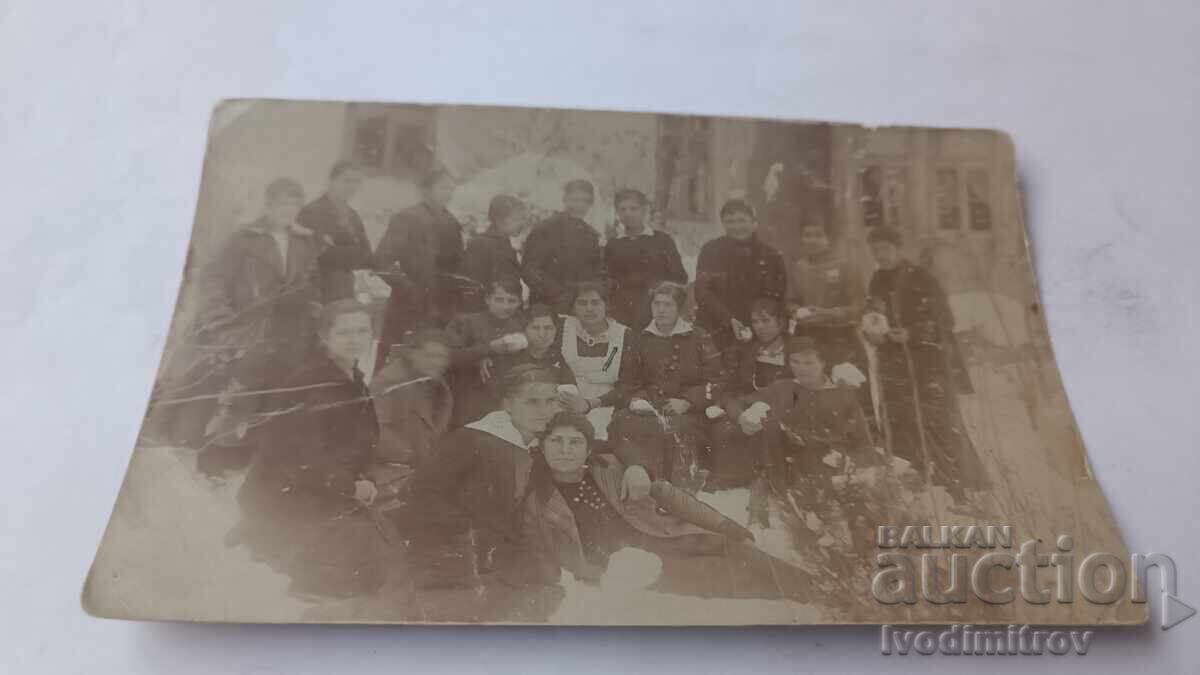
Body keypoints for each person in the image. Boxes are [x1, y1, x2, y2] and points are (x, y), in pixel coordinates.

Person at [396, 366, 652, 591]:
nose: (543, 411)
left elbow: (604, 445)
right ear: (507, 404)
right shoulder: (475, 439)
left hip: (513, 540)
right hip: (460, 546)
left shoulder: (541, 435)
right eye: (532, 402)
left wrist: (636, 466)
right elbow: (421, 492)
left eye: (550, 401)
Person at [229, 300, 387, 600]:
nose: (355, 339)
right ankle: (263, 541)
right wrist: (351, 487)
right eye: (344, 332)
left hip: (328, 486)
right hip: (290, 491)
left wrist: (368, 480)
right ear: (325, 336)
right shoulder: (311, 382)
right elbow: (300, 458)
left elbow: (365, 443)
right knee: (349, 577)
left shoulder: (353, 380)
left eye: (362, 331)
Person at [187, 177, 322, 472]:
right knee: (237, 399)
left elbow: (311, 281)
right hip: (251, 330)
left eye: (294, 203)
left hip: (291, 334)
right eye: (282, 202)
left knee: (274, 400)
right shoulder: (245, 239)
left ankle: (249, 465)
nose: (288, 210)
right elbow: (214, 278)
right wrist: (220, 317)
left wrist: (314, 309)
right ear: (269, 204)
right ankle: (213, 465)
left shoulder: (304, 241)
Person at [523, 413, 754, 583]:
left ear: (588, 450)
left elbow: (671, 497)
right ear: (542, 448)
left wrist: (729, 527)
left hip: (667, 547)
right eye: (556, 441)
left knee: (754, 568)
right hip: (613, 581)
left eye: (575, 442)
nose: (565, 450)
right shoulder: (537, 498)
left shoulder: (610, 468)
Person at [864, 226, 988, 503]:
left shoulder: (922, 278)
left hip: (928, 362)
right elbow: (873, 314)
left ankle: (964, 485)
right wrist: (872, 331)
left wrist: (913, 333)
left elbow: (945, 320)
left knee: (939, 420)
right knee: (898, 420)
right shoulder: (877, 280)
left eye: (884, 249)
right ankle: (917, 481)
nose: (880, 256)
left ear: (898, 248)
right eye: (875, 251)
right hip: (892, 361)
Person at [609, 281, 722, 488]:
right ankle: (640, 481)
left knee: (675, 430)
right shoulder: (641, 338)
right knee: (622, 424)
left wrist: (689, 401)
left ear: (679, 308)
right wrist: (638, 398)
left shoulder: (699, 337)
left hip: (689, 411)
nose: (661, 310)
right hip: (650, 407)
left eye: (668, 304)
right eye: (656, 304)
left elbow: (717, 381)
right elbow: (629, 381)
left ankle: (676, 491)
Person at [373, 168, 466, 366]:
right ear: (427, 190)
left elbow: (457, 267)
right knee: (397, 363)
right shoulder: (407, 218)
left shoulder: (452, 223)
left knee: (431, 364)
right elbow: (382, 260)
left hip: (442, 307)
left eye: (452, 188)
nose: (449, 193)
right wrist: (410, 289)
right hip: (408, 306)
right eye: (443, 187)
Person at [707, 298, 790, 487]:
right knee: (724, 428)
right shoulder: (746, 351)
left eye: (765, 320)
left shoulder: (792, 350)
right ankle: (734, 481)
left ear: (781, 322)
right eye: (755, 322)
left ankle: (773, 481)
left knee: (770, 427)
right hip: (745, 404)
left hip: (780, 407)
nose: (759, 327)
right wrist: (739, 413)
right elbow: (729, 388)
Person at [694, 198, 787, 351]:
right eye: (730, 221)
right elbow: (702, 291)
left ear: (753, 222)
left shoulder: (770, 255)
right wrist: (728, 319)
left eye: (742, 220)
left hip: (756, 330)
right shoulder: (711, 250)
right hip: (717, 326)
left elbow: (777, 296)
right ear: (723, 223)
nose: (736, 227)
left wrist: (759, 324)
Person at [444, 277, 527, 425]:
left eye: (511, 301)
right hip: (469, 393)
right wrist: (486, 351)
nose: (505, 306)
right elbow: (447, 357)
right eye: (499, 300)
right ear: (487, 299)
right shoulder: (466, 322)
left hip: (505, 395)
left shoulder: (520, 325)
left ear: (520, 302)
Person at [787, 220, 868, 371]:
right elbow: (790, 300)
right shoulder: (799, 268)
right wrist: (796, 311)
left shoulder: (846, 265)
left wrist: (830, 313)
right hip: (808, 338)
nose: (812, 240)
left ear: (829, 238)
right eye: (807, 235)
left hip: (840, 338)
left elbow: (860, 303)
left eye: (819, 235)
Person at [557, 281, 632, 440]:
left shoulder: (623, 335)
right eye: (582, 303)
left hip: (605, 405)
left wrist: (591, 404)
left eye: (596, 303)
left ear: (607, 305)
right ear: (573, 307)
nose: (589, 308)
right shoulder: (563, 327)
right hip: (564, 402)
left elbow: (629, 385)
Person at [370, 328, 453, 472]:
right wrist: (409, 457)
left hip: (422, 466)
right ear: (411, 354)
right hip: (395, 468)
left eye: (443, 357)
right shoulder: (387, 382)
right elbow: (375, 430)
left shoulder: (435, 383)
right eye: (430, 356)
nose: (438, 363)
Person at [603, 188, 687, 329]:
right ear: (617, 213)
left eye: (633, 209)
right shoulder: (613, 244)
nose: (627, 214)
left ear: (644, 210)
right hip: (622, 312)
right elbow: (608, 278)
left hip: (656, 310)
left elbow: (679, 276)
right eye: (622, 209)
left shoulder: (662, 240)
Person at [522, 179, 605, 312]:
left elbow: (595, 272)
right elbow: (530, 270)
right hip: (548, 304)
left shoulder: (591, 235)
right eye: (575, 200)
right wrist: (559, 294)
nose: (580, 205)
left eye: (586, 201)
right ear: (565, 200)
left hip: (580, 306)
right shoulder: (545, 229)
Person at [297, 161, 371, 302]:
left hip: (347, 290)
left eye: (356, 182)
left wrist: (339, 250)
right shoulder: (312, 212)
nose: (351, 187)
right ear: (331, 181)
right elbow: (320, 255)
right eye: (347, 181)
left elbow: (367, 255)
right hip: (321, 290)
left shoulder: (353, 215)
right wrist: (353, 252)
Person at [461, 194, 527, 309]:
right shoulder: (481, 244)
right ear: (499, 220)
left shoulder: (504, 242)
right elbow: (472, 287)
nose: (522, 223)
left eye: (522, 219)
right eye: (516, 219)